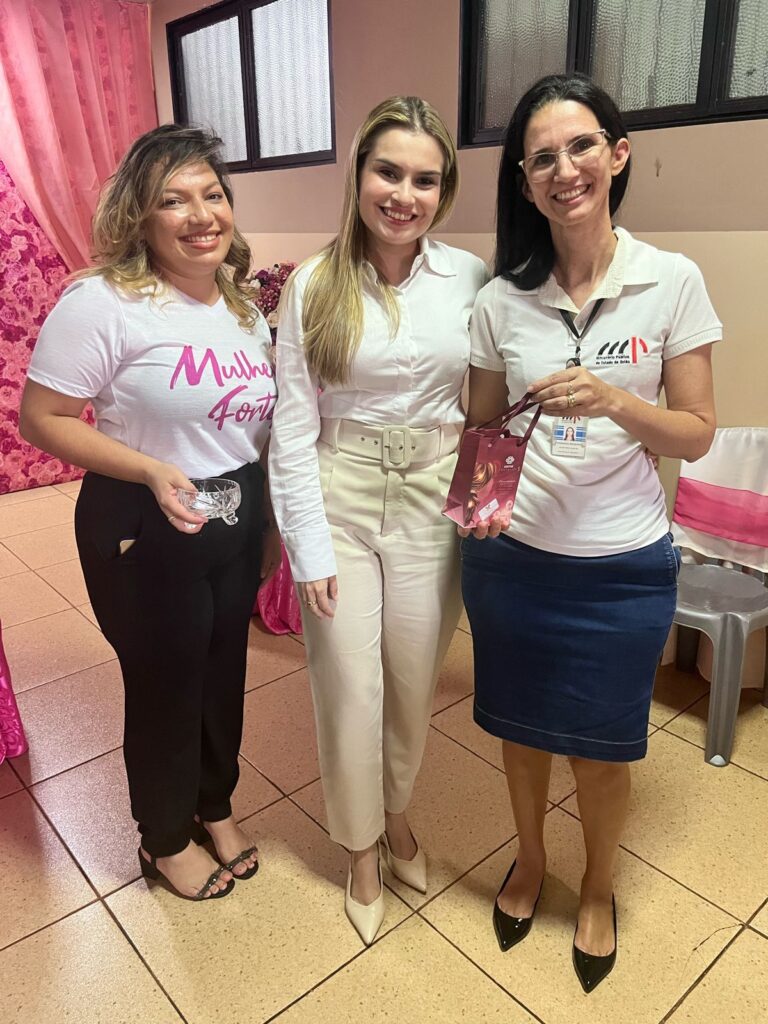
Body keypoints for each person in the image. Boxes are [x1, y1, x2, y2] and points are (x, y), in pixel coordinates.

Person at [461, 73, 720, 991]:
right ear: (525, 183)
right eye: (542, 158)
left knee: (603, 751)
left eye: (580, 147)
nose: (563, 170)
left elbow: (696, 431)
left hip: (622, 568)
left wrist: (615, 401)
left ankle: (600, 885)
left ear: (617, 154)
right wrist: (476, 522)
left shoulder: (671, 280)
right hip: (514, 566)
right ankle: (532, 860)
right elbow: (482, 428)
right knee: (521, 736)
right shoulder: (501, 300)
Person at [19, 125, 281, 901]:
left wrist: (266, 524)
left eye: (213, 195)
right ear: (140, 214)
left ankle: (214, 805)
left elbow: (252, 429)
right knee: (167, 680)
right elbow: (42, 419)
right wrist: (149, 469)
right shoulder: (103, 302)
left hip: (233, 510)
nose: (201, 215)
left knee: (223, 671)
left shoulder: (242, 307)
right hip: (143, 513)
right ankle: (164, 838)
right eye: (174, 200)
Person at [269, 96, 488, 944]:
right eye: (388, 172)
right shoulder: (314, 284)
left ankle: (398, 814)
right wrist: (308, 549)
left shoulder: (469, 278)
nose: (404, 194)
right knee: (349, 686)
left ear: (444, 190)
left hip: (433, 499)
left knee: (411, 680)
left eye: (425, 180)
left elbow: (487, 404)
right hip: (341, 495)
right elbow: (292, 428)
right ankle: (362, 850)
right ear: (359, 174)